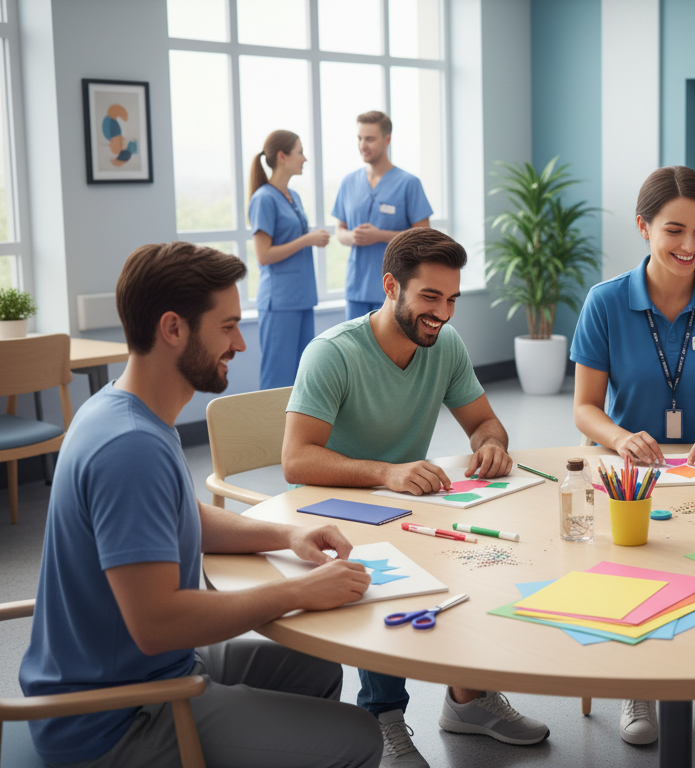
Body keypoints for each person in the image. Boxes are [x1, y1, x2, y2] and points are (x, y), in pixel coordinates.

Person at [19, 242, 380, 767]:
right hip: (116, 718)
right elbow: (159, 622)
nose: (240, 343)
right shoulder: (131, 447)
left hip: (138, 668)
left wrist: (288, 535)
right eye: (228, 326)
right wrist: (299, 591)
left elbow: (179, 516)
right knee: (360, 738)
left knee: (317, 670)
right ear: (173, 329)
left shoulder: (123, 409)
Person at [282, 227, 548, 767]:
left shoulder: (443, 344)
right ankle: (382, 717)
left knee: (481, 556)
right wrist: (386, 472)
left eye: (451, 299)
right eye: (430, 297)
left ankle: (468, 698)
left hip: (405, 502)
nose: (443, 313)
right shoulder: (332, 354)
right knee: (390, 571)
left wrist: (491, 445)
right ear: (390, 286)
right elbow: (296, 459)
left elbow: (483, 422)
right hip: (331, 509)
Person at [570, 165, 695, 745]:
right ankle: (640, 685)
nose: (690, 246)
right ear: (643, 227)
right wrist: (617, 437)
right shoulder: (605, 302)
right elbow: (585, 407)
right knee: (640, 566)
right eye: (674, 230)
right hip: (632, 468)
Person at [248, 129, 330, 389]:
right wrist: (308, 239)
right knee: (277, 379)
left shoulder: (293, 197)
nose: (304, 158)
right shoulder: (263, 199)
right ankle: (270, 431)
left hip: (302, 297)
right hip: (280, 301)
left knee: (302, 376)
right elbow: (263, 255)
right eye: (300, 152)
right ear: (282, 156)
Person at [332, 110, 433, 320]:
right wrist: (351, 237)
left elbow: (424, 235)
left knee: (389, 351)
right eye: (359, 139)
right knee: (355, 351)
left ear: (387, 140)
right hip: (356, 287)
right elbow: (339, 230)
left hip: (394, 288)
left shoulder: (408, 183)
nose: (363, 145)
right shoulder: (349, 182)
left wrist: (380, 235)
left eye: (369, 139)